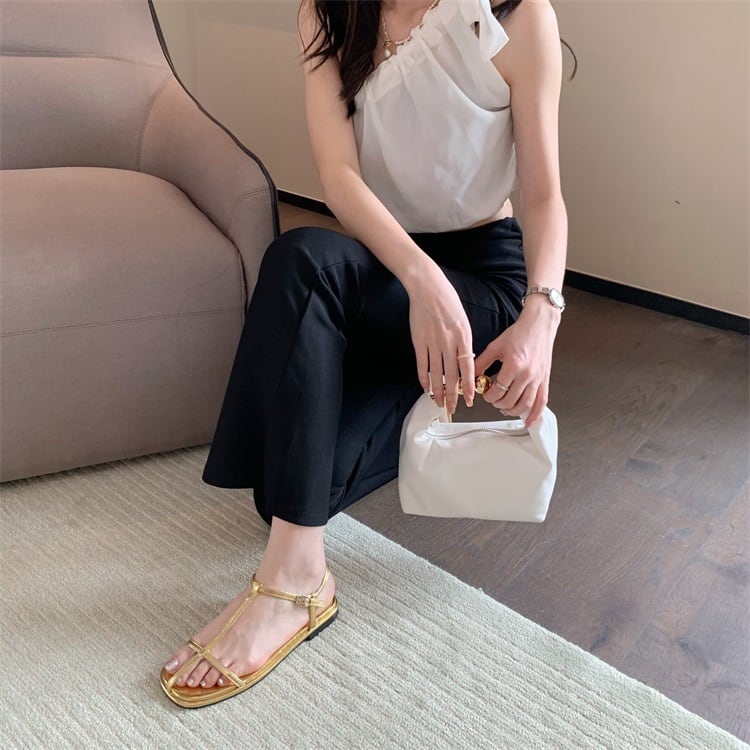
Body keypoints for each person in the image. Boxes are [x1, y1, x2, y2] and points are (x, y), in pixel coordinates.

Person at [160, 0, 569, 708]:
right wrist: (420, 281)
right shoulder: (328, 12)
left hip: (482, 281)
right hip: (390, 266)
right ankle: (415, 385)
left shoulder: (517, 14)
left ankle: (293, 583)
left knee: (296, 486)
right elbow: (340, 177)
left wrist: (543, 314)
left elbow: (544, 194)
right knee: (281, 494)